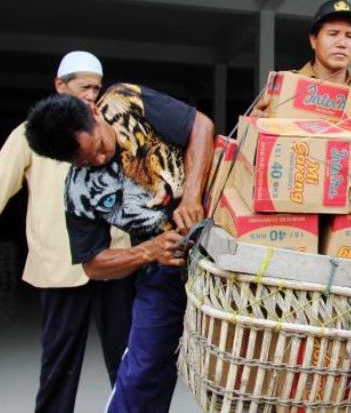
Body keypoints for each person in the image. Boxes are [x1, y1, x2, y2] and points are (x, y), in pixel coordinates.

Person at [24, 82, 214, 413]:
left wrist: (193, 194)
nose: (99, 158)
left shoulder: (125, 101)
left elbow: (200, 125)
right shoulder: (78, 192)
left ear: (95, 112)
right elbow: (93, 264)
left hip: (221, 251)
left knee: (246, 363)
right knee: (142, 370)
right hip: (163, 269)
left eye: (98, 146)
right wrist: (148, 251)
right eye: (85, 161)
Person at [0, 51, 134, 413]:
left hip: (114, 260)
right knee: (59, 362)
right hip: (60, 265)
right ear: (59, 85)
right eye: (83, 87)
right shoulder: (28, 135)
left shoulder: (110, 130)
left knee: (127, 359)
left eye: (96, 88)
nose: (90, 95)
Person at [253, 0, 351, 115]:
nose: (342, 43)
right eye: (333, 34)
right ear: (313, 40)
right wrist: (252, 127)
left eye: (349, 36)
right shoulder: (285, 86)